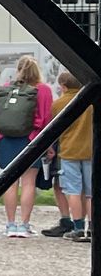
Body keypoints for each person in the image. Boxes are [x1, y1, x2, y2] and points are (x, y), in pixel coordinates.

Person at [0, 56, 53, 238]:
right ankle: (24, 225)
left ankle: (10, 225)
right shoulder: (43, 89)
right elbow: (46, 119)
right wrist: (48, 145)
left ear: (18, 69)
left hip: (6, 139)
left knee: (10, 183)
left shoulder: (6, 87)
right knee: (28, 183)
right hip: (31, 139)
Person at [46, 68, 92, 242]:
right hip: (90, 150)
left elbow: (54, 128)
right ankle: (92, 227)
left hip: (68, 151)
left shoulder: (59, 103)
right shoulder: (91, 101)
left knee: (73, 191)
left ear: (63, 86)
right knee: (90, 193)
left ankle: (78, 227)